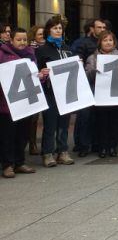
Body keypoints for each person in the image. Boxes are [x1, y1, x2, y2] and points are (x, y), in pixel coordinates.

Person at [36, 16, 75, 167]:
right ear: (48, 31)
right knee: (50, 123)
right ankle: (47, 153)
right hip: (49, 91)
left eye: (60, 28)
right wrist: (42, 72)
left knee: (64, 123)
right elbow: (36, 71)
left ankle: (63, 151)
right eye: (55, 28)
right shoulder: (42, 50)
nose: (58, 30)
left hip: (65, 91)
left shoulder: (67, 48)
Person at [0, 28, 38, 178]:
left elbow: (33, 77)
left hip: (25, 103)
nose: (22, 42)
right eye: (19, 39)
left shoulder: (31, 54)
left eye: (24, 40)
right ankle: (8, 165)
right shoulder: (2, 54)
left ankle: (20, 162)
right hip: (6, 105)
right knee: (7, 136)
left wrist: (40, 75)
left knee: (22, 134)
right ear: (11, 40)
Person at [84, 31, 118, 158]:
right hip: (100, 95)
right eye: (105, 40)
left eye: (110, 40)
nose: (108, 43)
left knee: (115, 121)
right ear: (100, 42)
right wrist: (93, 71)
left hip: (116, 94)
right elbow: (86, 76)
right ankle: (102, 147)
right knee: (101, 122)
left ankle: (112, 146)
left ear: (114, 42)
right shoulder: (93, 57)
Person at [71, 18, 106, 158]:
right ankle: (82, 145)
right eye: (99, 27)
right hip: (87, 83)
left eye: (104, 27)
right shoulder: (81, 43)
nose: (102, 29)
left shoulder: (107, 41)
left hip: (103, 85)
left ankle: (96, 143)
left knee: (98, 115)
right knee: (84, 115)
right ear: (92, 28)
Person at [27, 25, 45, 156]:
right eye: (40, 34)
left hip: (46, 85)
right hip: (34, 85)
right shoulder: (30, 50)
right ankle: (32, 143)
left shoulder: (49, 48)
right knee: (33, 117)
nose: (42, 37)